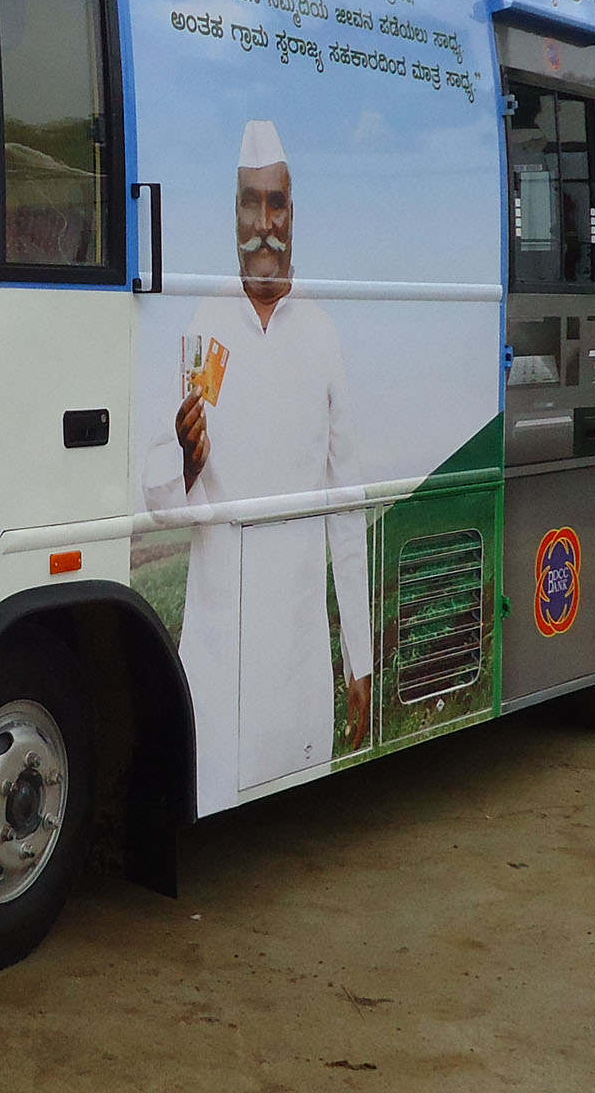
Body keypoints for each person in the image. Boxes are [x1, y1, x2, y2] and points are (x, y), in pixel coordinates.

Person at [143, 120, 374, 800]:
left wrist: (359, 657)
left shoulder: (322, 334)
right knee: (211, 799)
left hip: (300, 660)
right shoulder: (207, 330)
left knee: (298, 813)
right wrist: (186, 461)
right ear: (235, 212)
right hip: (219, 661)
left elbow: (347, 508)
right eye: (252, 203)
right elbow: (158, 496)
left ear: (293, 214)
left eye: (277, 204)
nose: (264, 224)